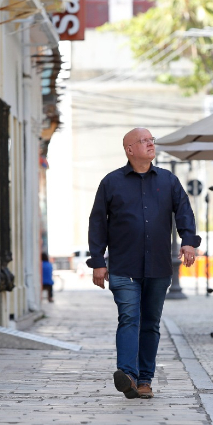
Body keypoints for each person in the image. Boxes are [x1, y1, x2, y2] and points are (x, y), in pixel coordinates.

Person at [87, 128, 200, 400]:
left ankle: (145, 379)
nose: (151, 144)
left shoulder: (169, 181)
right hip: (124, 266)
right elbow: (97, 223)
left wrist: (188, 240)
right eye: (144, 141)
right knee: (129, 317)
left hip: (159, 267)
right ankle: (127, 374)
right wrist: (98, 262)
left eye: (152, 140)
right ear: (129, 149)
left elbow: (184, 210)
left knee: (150, 323)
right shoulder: (111, 183)